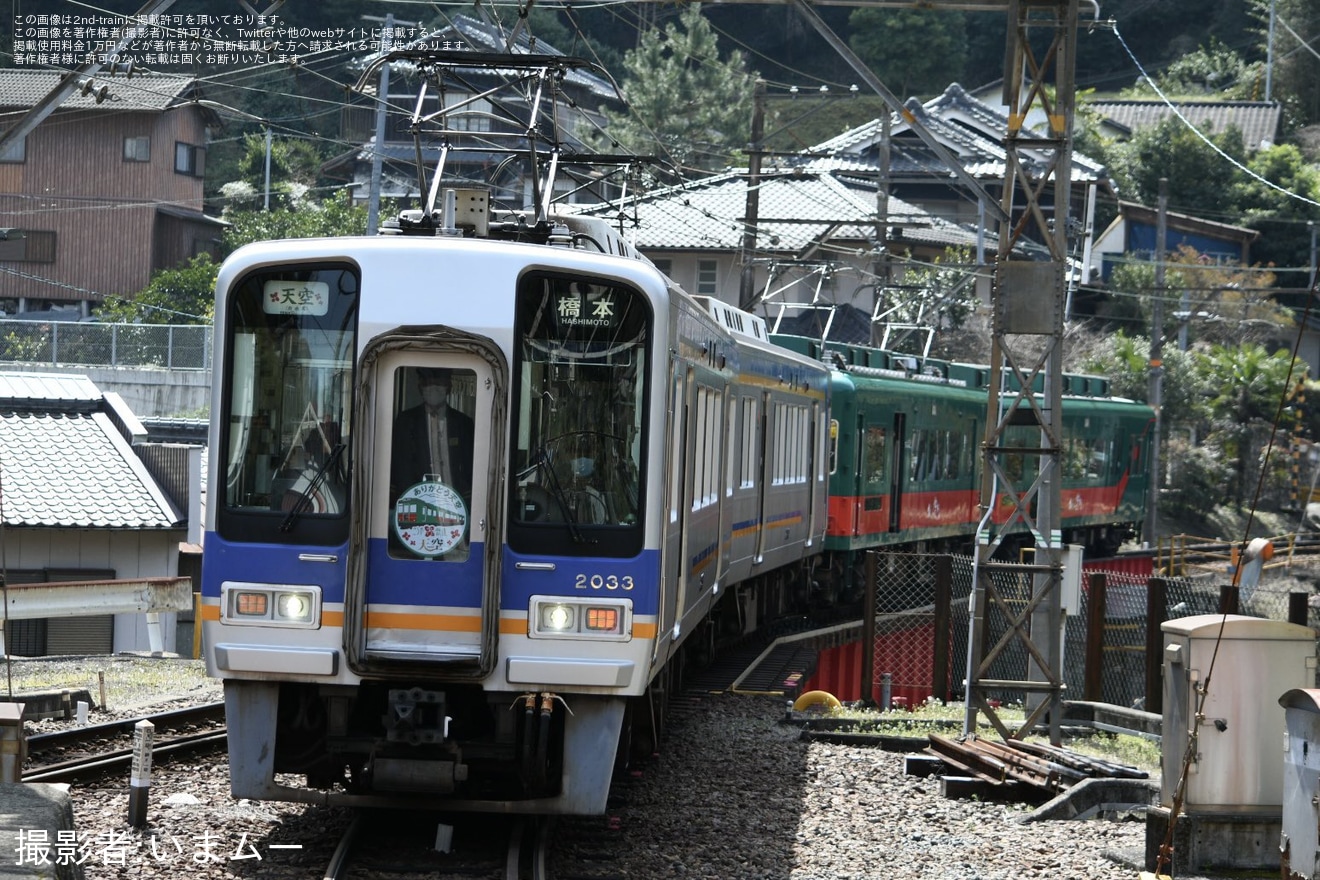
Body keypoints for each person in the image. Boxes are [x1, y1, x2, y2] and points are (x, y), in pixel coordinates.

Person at [390, 367, 475, 507]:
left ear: (448, 387)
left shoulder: (463, 423)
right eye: (428, 383)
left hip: (454, 502)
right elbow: (397, 464)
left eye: (439, 384)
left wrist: (468, 503)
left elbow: (470, 467)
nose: (433, 388)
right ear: (420, 387)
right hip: (415, 500)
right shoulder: (405, 421)